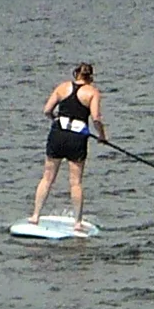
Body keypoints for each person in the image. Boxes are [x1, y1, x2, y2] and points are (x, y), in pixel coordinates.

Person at [29, 64, 105, 224]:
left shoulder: (63, 87)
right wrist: (102, 136)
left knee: (47, 178)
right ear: (90, 77)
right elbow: (96, 118)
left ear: (76, 74)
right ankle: (77, 223)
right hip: (77, 138)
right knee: (75, 182)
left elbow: (47, 110)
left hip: (58, 134)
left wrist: (55, 119)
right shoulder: (92, 92)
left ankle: (35, 216)